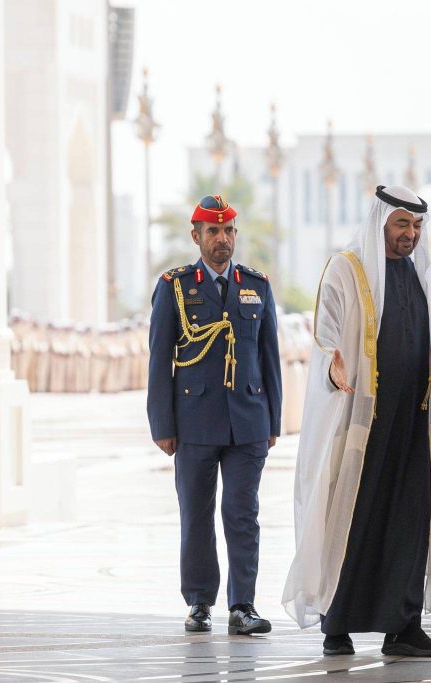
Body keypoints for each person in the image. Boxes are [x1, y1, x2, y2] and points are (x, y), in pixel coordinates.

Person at [282, 185, 431, 658]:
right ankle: (337, 624)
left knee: (409, 522)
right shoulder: (348, 269)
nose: (410, 234)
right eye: (402, 224)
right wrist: (334, 364)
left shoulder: (424, 278)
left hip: (414, 423)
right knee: (352, 518)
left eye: (417, 226)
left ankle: (403, 627)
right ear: (381, 222)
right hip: (363, 422)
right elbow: (325, 335)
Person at [147, 195, 282, 635]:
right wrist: (163, 425)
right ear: (196, 237)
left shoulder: (257, 285)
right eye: (212, 232)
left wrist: (273, 421)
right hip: (193, 421)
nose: (221, 240)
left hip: (248, 420)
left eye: (228, 232)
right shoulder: (175, 286)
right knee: (197, 514)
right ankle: (200, 602)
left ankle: (243, 605)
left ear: (235, 235)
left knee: (242, 514)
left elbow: (269, 357)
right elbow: (158, 359)